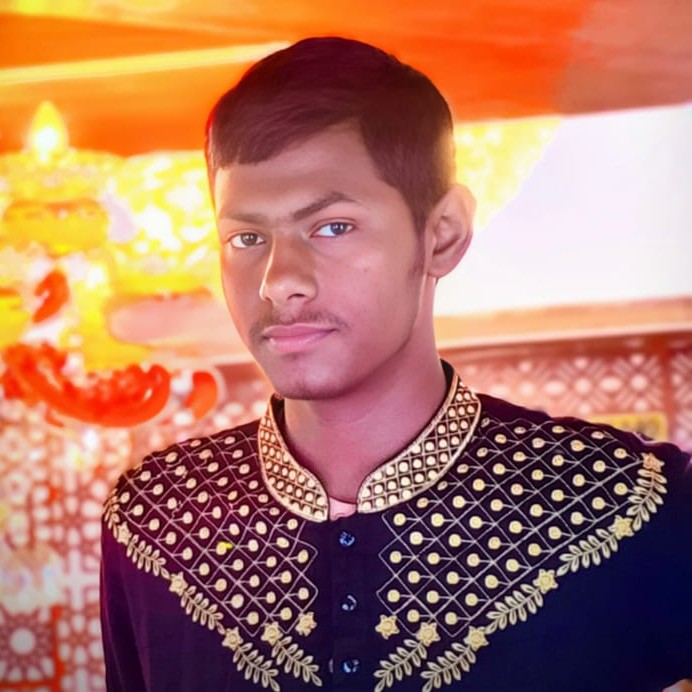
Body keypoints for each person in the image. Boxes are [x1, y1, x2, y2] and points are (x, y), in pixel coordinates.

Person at [100, 36, 692, 692]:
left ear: (442, 234)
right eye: (246, 238)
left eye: (332, 227)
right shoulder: (156, 518)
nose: (277, 281)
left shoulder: (628, 502)